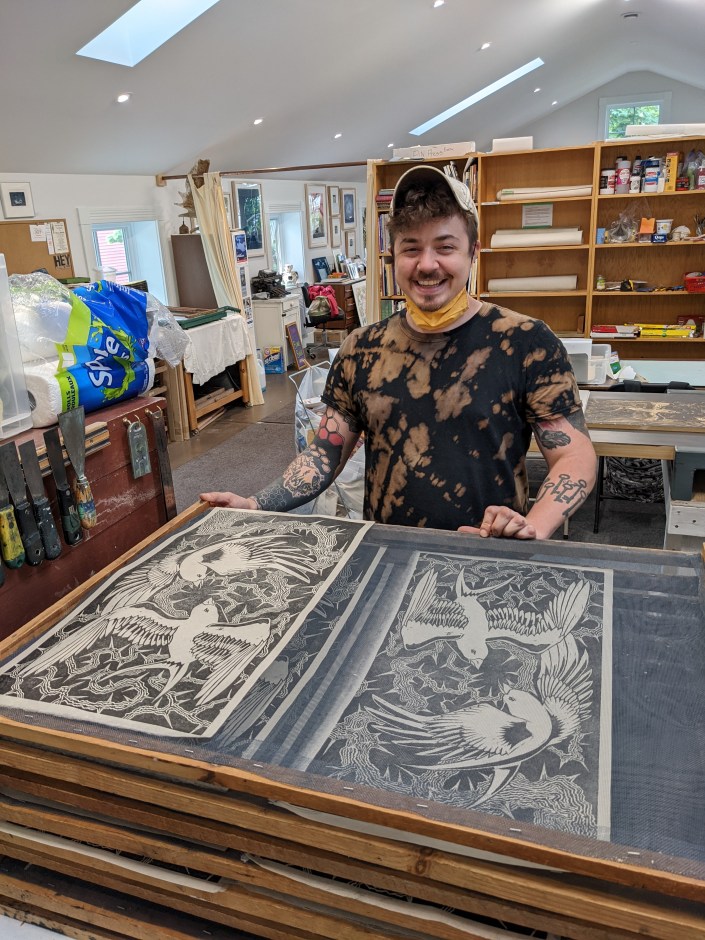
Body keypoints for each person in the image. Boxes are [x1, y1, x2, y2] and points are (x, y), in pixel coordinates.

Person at [202, 165, 596, 540]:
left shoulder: (526, 343)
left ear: (473, 252)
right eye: (411, 248)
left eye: (445, 247)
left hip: (488, 556)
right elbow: (324, 454)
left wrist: (534, 526)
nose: (427, 264)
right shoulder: (361, 349)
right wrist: (256, 504)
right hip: (385, 553)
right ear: (392, 255)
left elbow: (574, 456)